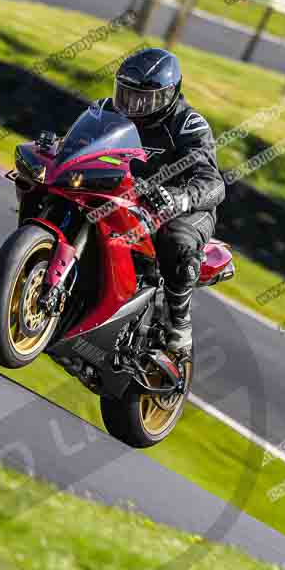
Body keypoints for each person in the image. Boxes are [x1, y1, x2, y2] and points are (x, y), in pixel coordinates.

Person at [111, 47, 225, 354]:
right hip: (126, 196)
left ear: (168, 96)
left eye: (142, 99)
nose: (131, 105)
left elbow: (213, 183)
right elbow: (79, 143)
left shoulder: (188, 125)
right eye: (125, 94)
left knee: (176, 239)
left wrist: (182, 198)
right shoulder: (107, 111)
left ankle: (179, 322)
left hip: (183, 209)